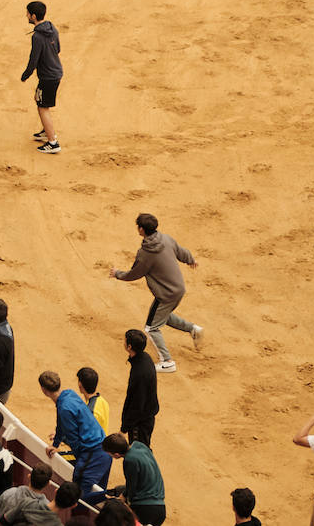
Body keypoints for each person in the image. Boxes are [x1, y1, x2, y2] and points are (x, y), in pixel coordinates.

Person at [110, 213, 203, 372]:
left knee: (151, 328)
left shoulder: (145, 254)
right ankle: (192, 329)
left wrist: (117, 273)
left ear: (141, 229)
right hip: (178, 288)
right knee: (161, 316)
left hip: (166, 294)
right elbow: (181, 251)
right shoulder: (166, 239)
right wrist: (191, 260)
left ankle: (167, 361)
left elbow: (134, 274)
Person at [38, 370, 106, 505]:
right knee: (99, 492)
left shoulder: (64, 408)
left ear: (44, 390)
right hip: (103, 447)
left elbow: (75, 441)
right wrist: (56, 444)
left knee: (77, 496)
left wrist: (81, 462)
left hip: (91, 454)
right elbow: (61, 424)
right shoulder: (69, 393)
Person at [19, 1, 63, 154]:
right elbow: (58, 48)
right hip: (56, 72)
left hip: (48, 77)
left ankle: (52, 142)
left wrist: (26, 75)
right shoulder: (52, 27)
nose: (26, 16)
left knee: (42, 106)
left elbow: (34, 59)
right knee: (40, 100)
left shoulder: (37, 36)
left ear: (34, 16)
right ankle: (46, 130)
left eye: (28, 14)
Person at [101, 434, 165, 526]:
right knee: (120, 489)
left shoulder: (129, 460)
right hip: (160, 509)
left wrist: (122, 499)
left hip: (144, 511)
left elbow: (132, 488)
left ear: (116, 454)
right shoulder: (140, 446)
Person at [118, 329, 158, 447]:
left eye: (124, 341)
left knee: (140, 451)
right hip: (146, 416)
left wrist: (124, 429)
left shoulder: (140, 373)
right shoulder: (145, 358)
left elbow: (137, 405)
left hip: (140, 422)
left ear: (129, 346)